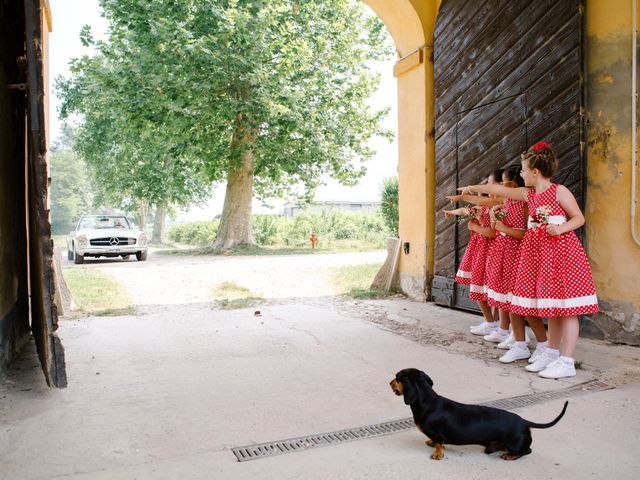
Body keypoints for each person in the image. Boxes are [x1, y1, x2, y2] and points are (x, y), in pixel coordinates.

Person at [458, 142, 599, 379]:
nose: (521, 174)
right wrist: (470, 188)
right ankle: (552, 354)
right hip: (540, 254)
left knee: (568, 310)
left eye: (524, 169)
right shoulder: (529, 194)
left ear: (535, 171)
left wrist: (561, 227)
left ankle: (567, 361)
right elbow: (502, 191)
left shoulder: (559, 191)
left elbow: (579, 218)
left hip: (562, 253)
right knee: (553, 309)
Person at [444, 171, 501, 335]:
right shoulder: (481, 209)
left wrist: (475, 227)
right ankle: (492, 322)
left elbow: (492, 233)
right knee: (481, 287)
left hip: (490, 251)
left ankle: (494, 323)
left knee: (489, 289)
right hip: (480, 251)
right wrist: (451, 212)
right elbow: (464, 211)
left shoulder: (496, 208)